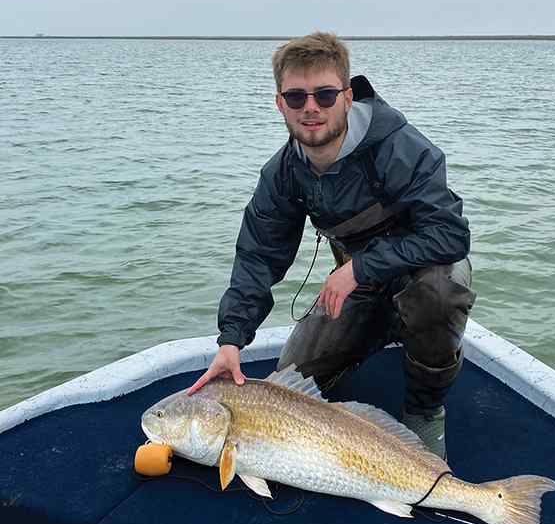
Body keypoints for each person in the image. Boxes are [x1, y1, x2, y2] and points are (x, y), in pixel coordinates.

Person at [188, 32, 475, 458]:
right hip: (356, 288)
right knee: (292, 381)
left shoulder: (403, 149)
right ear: (279, 103)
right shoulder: (283, 174)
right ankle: (375, 329)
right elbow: (258, 256)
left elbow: (451, 235)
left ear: (346, 95)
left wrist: (359, 268)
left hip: (423, 270)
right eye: (296, 96)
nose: (311, 108)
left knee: (437, 293)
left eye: (324, 94)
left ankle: (424, 410)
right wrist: (231, 339)